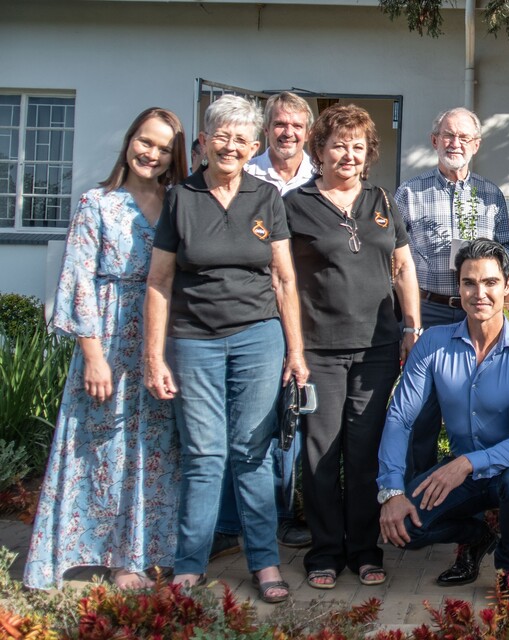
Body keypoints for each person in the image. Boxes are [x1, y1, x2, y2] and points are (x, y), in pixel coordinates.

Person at [144, 94, 308, 604]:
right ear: (204, 141)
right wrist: (154, 355)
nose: (231, 146)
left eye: (241, 139)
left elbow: (284, 280)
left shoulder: (266, 198)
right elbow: (158, 282)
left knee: (252, 453)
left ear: (253, 146)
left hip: (259, 337)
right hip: (194, 341)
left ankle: (263, 562)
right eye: (222, 136)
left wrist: (296, 354)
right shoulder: (181, 198)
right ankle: (190, 564)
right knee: (203, 455)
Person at [24, 108, 187, 590]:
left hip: (160, 341)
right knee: (98, 448)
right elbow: (77, 281)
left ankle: (135, 557)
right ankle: (79, 550)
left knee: (152, 450)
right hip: (110, 339)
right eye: (145, 142)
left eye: (162, 148)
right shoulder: (97, 203)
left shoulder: (177, 202)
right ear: (130, 140)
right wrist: (93, 355)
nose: (152, 154)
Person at [283, 104, 421, 590]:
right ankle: (324, 551)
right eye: (338, 145)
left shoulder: (383, 200)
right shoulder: (295, 204)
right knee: (321, 452)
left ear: (368, 155)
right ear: (317, 150)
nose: (348, 154)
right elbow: (283, 280)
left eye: (358, 147)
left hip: (377, 349)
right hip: (319, 350)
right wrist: (293, 349)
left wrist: (412, 327)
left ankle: (364, 548)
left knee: (365, 453)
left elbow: (403, 268)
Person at [377, 239, 509, 595]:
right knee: (405, 529)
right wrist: (391, 490)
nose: (479, 293)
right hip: (463, 473)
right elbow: (400, 417)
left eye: (489, 282)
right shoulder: (433, 344)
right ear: (458, 287)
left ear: (506, 285)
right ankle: (477, 537)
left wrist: (466, 464)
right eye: (469, 282)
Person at [213, 91, 316, 556]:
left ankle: (278, 513)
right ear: (266, 130)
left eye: (296, 125)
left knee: (289, 419)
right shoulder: (243, 173)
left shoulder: (321, 177)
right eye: (279, 124)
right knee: (243, 424)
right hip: (249, 315)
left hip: (305, 316)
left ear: (308, 132)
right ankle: (228, 522)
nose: (288, 132)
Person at [395, 107, 509, 479]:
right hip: (430, 311)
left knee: (483, 405)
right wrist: (410, 326)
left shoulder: (491, 195)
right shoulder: (409, 194)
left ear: (476, 145)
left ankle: (479, 493)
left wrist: (487, 258)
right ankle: (418, 498)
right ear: (434, 141)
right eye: (448, 135)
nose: (455, 143)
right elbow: (398, 261)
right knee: (423, 410)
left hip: (477, 313)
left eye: (464, 137)